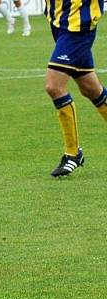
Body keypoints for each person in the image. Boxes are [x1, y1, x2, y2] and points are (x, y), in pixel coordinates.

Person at [44, 0, 107, 177]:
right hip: (60, 23)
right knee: (90, 88)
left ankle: (72, 153)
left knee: (54, 86)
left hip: (79, 27)